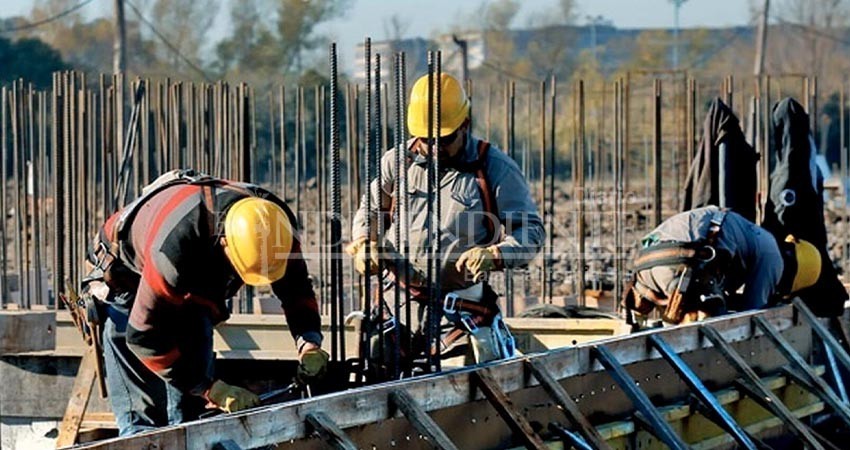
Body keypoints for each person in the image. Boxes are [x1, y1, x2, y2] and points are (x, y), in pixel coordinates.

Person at [84, 169, 328, 436]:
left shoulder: (275, 227)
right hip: (127, 278)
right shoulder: (173, 249)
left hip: (192, 278)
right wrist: (211, 390)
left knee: (192, 417)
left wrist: (309, 343)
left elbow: (296, 289)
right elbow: (142, 336)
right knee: (145, 426)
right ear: (225, 244)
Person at [346, 73, 544, 365]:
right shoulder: (396, 162)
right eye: (426, 140)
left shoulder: (495, 168)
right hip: (396, 307)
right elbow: (371, 209)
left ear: (465, 124)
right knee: (375, 381)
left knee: (462, 393)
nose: (434, 147)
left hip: (459, 313)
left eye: (445, 139)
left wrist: (496, 253)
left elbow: (531, 231)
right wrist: (364, 242)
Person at [624, 205, 821, 325]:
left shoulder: (754, 235)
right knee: (715, 320)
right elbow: (753, 313)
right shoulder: (773, 258)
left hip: (645, 264)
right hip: (682, 266)